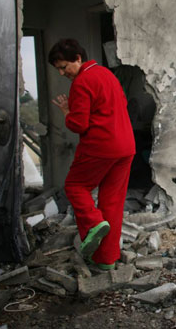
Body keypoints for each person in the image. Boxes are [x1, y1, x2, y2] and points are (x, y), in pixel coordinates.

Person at [49, 38, 135, 270]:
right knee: (113, 201)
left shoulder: (82, 81)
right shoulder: (108, 75)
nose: (61, 72)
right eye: (58, 68)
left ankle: (94, 223)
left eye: (64, 66)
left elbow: (79, 125)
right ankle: (106, 259)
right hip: (126, 145)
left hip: (101, 146)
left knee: (75, 186)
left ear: (78, 58)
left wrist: (67, 111)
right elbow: (121, 104)